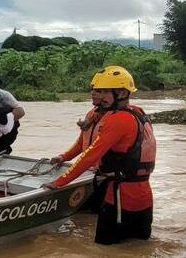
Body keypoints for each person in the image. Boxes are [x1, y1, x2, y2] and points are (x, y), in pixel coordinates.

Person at [49, 66, 157, 244]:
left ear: (122, 93)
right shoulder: (135, 112)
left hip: (120, 195)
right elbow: (84, 143)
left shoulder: (118, 120)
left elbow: (91, 155)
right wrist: (64, 157)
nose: (96, 95)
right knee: (137, 250)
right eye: (96, 90)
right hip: (140, 194)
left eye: (104, 91)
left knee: (106, 251)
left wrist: (59, 182)